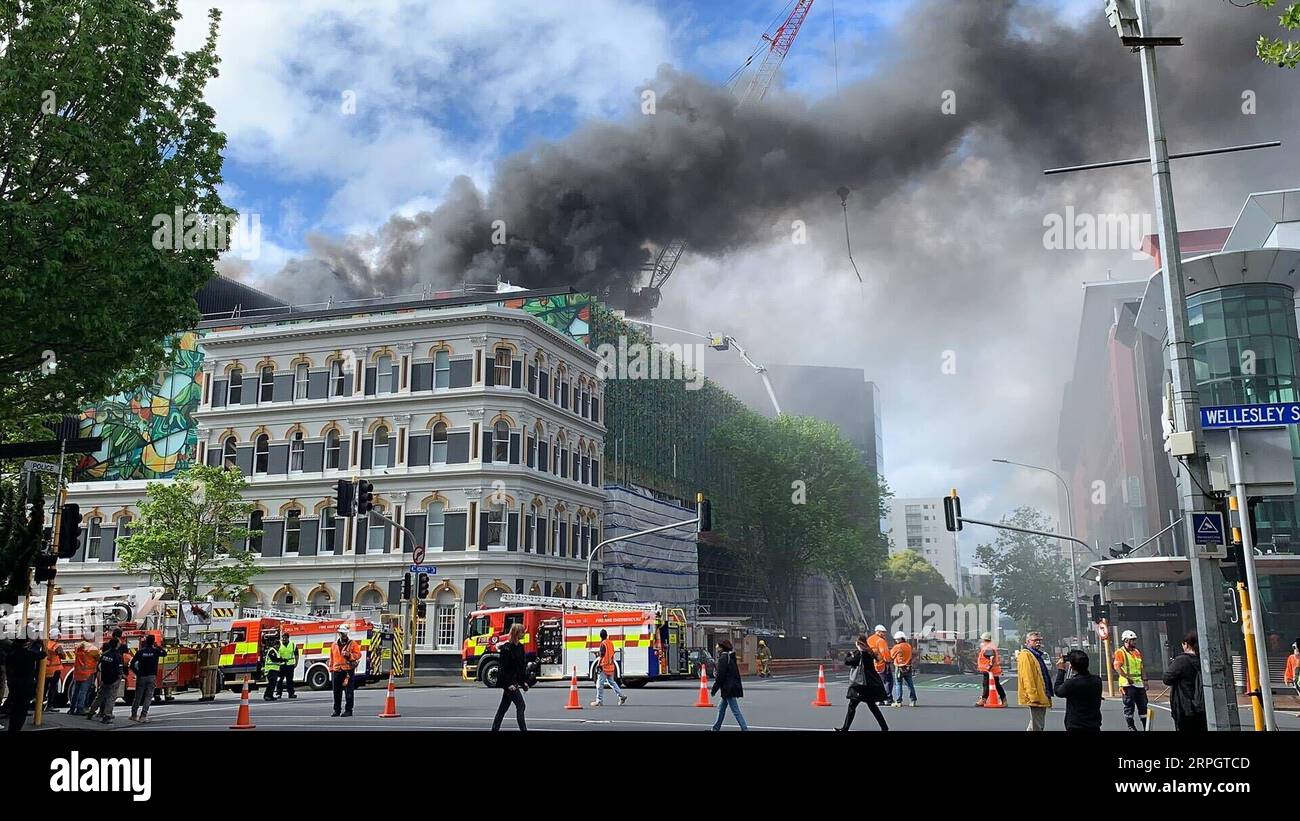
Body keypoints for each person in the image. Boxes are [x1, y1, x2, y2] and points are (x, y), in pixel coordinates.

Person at [835, 634, 889, 732]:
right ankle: (884, 727)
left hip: (860, 685)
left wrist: (848, 655)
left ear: (858, 643)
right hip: (869, 685)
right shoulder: (869, 653)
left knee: (852, 706)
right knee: (872, 707)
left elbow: (847, 661)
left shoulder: (859, 655)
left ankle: (845, 728)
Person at [1162, 632, 1207, 732]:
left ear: (1186, 644)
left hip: (1185, 707)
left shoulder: (1181, 660)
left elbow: (1167, 679)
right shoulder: (1203, 660)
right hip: (1203, 706)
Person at [491, 623, 529, 731]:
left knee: (503, 708)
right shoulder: (507, 648)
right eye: (522, 632)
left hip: (515, 681)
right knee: (521, 705)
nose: (524, 633)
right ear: (517, 633)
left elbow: (520, 666)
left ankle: (494, 728)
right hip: (509, 682)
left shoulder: (520, 647)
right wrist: (509, 685)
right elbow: (503, 669)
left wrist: (523, 682)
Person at [1053, 649, 1102, 731]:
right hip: (1094, 724)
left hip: (1076, 725)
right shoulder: (1097, 680)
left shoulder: (1072, 683)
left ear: (1071, 666)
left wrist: (1061, 670)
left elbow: (1058, 691)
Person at [4, 635, 45, 733]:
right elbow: (43, 654)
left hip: (13, 685)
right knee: (21, 712)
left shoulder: (10, 655)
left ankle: (12, 728)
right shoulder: (29, 654)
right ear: (25, 643)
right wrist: (39, 643)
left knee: (15, 710)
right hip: (25, 687)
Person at [1016, 631, 1053, 731]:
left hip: (1041, 693)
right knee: (1037, 725)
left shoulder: (1036, 655)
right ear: (1027, 642)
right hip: (1036, 695)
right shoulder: (1026, 655)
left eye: (1039, 640)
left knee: (1036, 723)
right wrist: (1032, 695)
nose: (1038, 643)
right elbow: (1027, 677)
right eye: (1035, 640)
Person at [710, 637, 748, 731]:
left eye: (717, 645)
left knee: (735, 711)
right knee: (721, 709)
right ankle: (715, 728)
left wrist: (714, 690)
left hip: (728, 689)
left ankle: (745, 729)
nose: (716, 646)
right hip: (729, 687)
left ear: (721, 647)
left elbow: (720, 677)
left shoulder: (723, 658)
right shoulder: (730, 657)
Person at [1113, 629, 1147, 731]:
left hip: (1139, 683)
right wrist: (1127, 677)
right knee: (1129, 706)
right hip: (1127, 684)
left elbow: (1141, 667)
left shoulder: (1137, 652)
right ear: (1126, 640)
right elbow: (1117, 667)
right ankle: (1131, 727)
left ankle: (1146, 726)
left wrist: (1145, 680)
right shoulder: (1120, 652)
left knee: (1143, 706)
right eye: (1132, 640)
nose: (1135, 642)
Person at [87, 634, 125, 724]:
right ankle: (107, 716)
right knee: (110, 698)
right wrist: (119, 677)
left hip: (104, 679)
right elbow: (119, 669)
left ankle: (91, 712)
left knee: (99, 697)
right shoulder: (118, 656)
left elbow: (99, 666)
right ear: (116, 645)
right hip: (113, 680)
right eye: (119, 643)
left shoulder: (104, 654)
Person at [129, 634, 163, 723]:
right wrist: (158, 646)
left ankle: (133, 714)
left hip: (141, 676)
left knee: (138, 696)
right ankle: (143, 716)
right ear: (153, 642)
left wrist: (137, 673)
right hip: (151, 676)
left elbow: (132, 664)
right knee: (148, 696)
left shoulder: (140, 652)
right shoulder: (155, 651)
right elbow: (164, 653)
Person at [329, 626, 362, 717]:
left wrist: (349, 655)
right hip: (336, 671)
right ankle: (337, 710)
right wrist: (331, 669)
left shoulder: (352, 643)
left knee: (349, 692)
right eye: (342, 633)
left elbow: (358, 655)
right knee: (336, 692)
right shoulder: (334, 645)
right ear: (339, 633)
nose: (344, 635)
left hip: (348, 671)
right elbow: (332, 658)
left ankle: (348, 710)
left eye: (345, 633)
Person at [591, 628, 626, 706]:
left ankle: (599, 700)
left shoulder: (603, 644)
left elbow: (601, 656)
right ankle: (621, 696)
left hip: (604, 667)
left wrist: (598, 665)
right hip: (610, 666)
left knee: (599, 684)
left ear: (600, 636)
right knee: (612, 683)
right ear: (607, 635)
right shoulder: (610, 643)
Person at [975, 631, 1006, 707]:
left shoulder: (988, 647)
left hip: (989, 670)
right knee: (996, 685)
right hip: (992, 670)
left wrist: (989, 666)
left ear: (984, 639)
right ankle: (1004, 700)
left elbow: (991, 657)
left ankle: (983, 700)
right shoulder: (990, 646)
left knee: (986, 685)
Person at [69, 638, 98, 716]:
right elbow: (98, 657)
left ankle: (72, 708)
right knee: (83, 691)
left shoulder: (78, 647)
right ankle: (80, 708)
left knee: (76, 691)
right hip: (87, 673)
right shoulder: (92, 648)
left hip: (78, 672)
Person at [867, 625, 893, 705]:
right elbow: (884, 652)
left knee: (876, 682)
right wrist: (888, 662)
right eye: (883, 632)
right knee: (888, 681)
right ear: (877, 631)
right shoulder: (880, 641)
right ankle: (887, 698)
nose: (884, 634)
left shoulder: (869, 639)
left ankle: (878, 699)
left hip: (872, 665)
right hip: (881, 664)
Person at [889, 631, 916, 707]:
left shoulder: (897, 647)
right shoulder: (908, 646)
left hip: (899, 667)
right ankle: (913, 700)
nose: (896, 641)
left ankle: (899, 701)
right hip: (908, 667)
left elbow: (891, 655)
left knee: (898, 684)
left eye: (897, 639)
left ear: (901, 639)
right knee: (910, 684)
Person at [43, 628, 64, 712]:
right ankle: (49, 705)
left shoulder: (45, 644)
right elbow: (63, 656)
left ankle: (39, 705)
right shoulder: (57, 646)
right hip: (55, 670)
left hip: (46, 669)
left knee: (44, 688)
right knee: (52, 688)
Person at [276, 634, 299, 699]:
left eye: (285, 638)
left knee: (290, 680)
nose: (284, 639)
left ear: (288, 638)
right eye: (283, 638)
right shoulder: (279, 645)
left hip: (290, 665)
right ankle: (279, 693)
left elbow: (296, 655)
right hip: (281, 665)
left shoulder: (292, 645)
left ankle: (291, 694)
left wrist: (296, 663)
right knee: (280, 680)